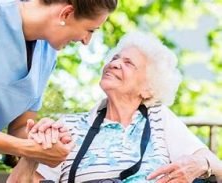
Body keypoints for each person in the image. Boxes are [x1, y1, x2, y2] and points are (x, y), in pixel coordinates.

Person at [0, 0, 118, 182]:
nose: (86, 41)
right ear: (66, 14)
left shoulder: (46, 51)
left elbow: (20, 126)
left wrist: (44, 137)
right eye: (90, 30)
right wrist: (29, 149)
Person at [18, 31, 222, 183]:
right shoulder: (68, 127)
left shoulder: (159, 118)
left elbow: (217, 168)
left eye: (128, 63)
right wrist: (32, 155)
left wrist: (200, 164)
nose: (114, 64)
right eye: (115, 58)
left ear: (148, 89)